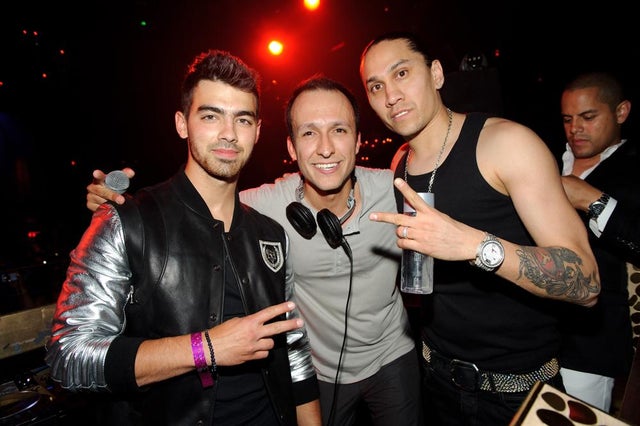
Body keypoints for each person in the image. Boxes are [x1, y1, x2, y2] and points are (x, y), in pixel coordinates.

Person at [84, 76, 422, 425]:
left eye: (339, 130)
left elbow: (440, 180)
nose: (325, 148)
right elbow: (197, 202)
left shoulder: (395, 190)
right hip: (321, 371)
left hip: (392, 356)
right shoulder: (266, 209)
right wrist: (123, 206)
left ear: (358, 140)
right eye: (309, 133)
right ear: (291, 148)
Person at [45, 50, 321, 425]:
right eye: (211, 116)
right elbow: (69, 355)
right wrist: (205, 348)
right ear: (182, 124)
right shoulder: (127, 222)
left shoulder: (271, 235)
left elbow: (294, 351)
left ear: (257, 131)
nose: (229, 133)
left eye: (242, 119)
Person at [359, 31, 600, 425]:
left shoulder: (506, 143)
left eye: (402, 73)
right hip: (436, 377)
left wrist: (473, 245)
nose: (391, 96)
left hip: (517, 388)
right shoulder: (400, 161)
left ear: (436, 73)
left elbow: (587, 283)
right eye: (376, 86)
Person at [556, 71, 639, 411]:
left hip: (591, 342)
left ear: (621, 112)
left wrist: (592, 200)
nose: (575, 128)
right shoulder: (546, 158)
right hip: (532, 336)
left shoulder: (634, 167)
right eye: (567, 119)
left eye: (588, 117)